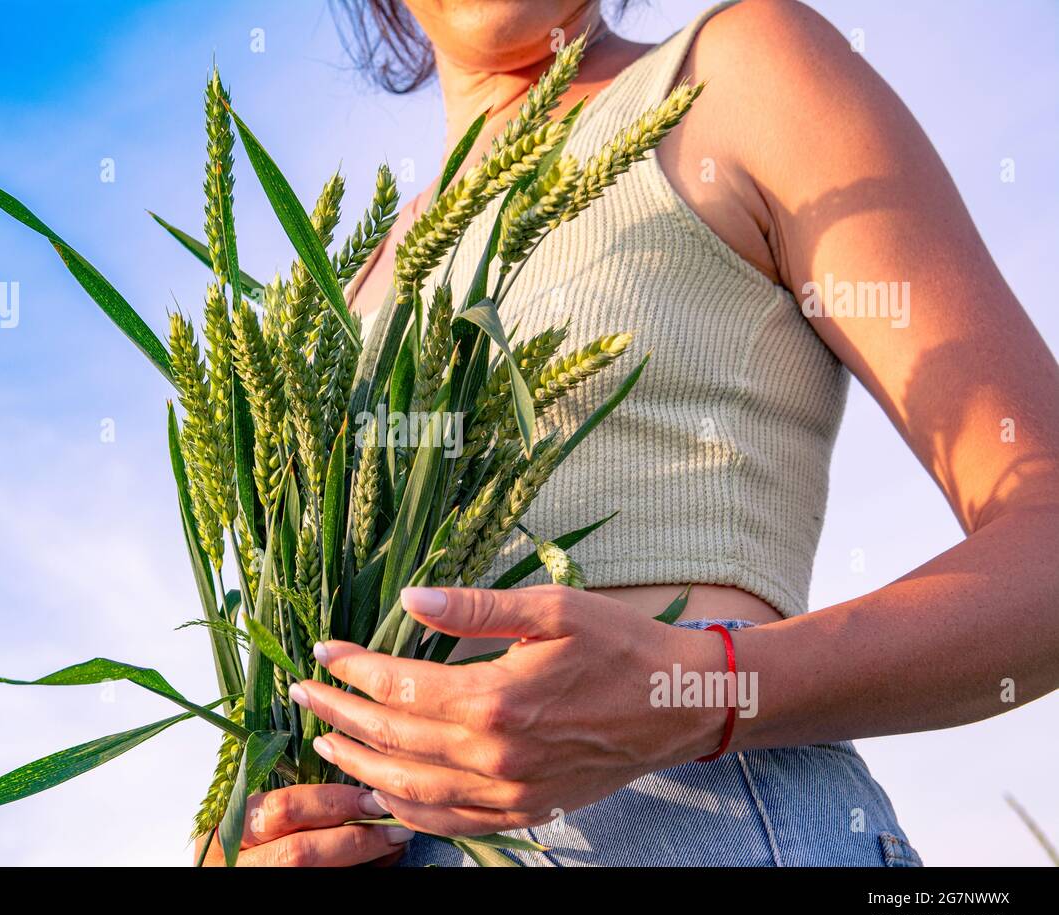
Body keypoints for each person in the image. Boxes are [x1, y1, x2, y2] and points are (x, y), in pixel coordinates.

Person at [203, 0, 1059, 867]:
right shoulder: (342, 294)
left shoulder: (734, 75)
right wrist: (251, 833)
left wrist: (693, 693)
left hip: (706, 825)